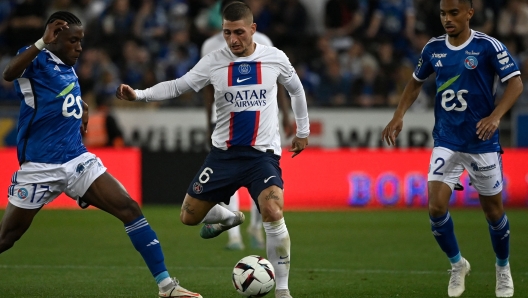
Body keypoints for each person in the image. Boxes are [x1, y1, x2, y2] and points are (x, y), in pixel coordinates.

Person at [0, 11, 202, 298]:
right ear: (54, 38)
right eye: (73, 41)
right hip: (39, 166)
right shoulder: (36, 58)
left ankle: (166, 286)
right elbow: (8, 74)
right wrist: (41, 42)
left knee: (129, 208)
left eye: (81, 40)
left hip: (76, 160)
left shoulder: (68, 67)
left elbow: (61, 95)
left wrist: (80, 106)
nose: (79, 47)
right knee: (8, 237)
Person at [116, 3, 310, 298]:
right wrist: (140, 95)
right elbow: (178, 86)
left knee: (273, 209)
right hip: (224, 156)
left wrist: (303, 131)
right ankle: (230, 217)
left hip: (262, 156)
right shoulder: (214, 61)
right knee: (188, 217)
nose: (233, 39)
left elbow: (296, 90)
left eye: (239, 33)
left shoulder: (275, 58)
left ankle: (282, 291)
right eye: (227, 33)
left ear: (253, 30)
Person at [381, 1, 523, 297]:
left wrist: (495, 117)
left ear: (469, 13)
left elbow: (516, 85)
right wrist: (398, 115)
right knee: (435, 206)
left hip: (481, 143)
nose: (447, 19)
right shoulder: (433, 49)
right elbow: (415, 83)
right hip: (446, 139)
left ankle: (503, 268)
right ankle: (458, 264)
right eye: (443, 13)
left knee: (493, 212)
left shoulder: (487, 46)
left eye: (454, 13)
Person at [200, 0, 294, 251]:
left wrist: (285, 114)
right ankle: (234, 235)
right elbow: (207, 88)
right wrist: (208, 119)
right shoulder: (210, 46)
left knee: (259, 176)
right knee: (229, 178)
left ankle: (254, 225)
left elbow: (279, 79)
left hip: (261, 121)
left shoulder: (262, 40)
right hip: (224, 121)